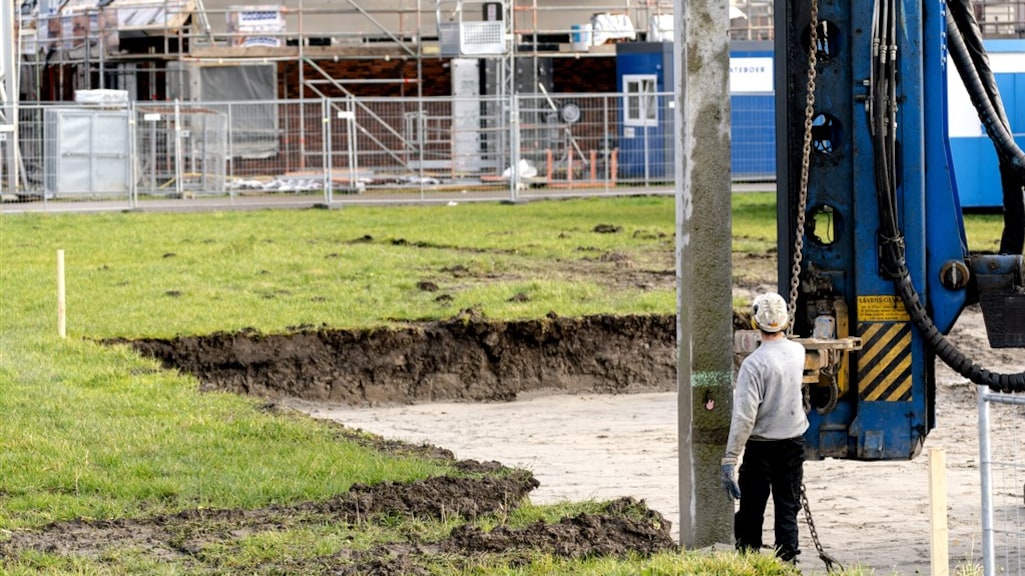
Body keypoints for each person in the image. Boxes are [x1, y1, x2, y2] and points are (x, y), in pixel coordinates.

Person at [720, 292, 809, 563]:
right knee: (787, 508)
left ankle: (749, 560)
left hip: (761, 448)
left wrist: (730, 457)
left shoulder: (754, 364)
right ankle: (788, 562)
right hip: (793, 443)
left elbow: (745, 416)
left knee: (751, 508)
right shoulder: (798, 352)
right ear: (785, 321)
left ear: (755, 323)